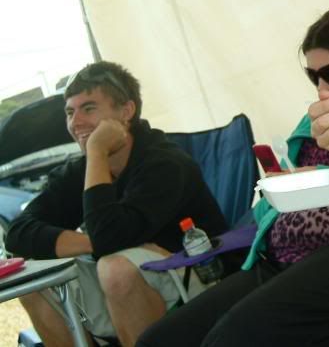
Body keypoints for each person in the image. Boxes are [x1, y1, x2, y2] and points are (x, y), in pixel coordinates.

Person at [137, 6, 329, 347]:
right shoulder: (312, 120)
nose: (323, 86)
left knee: (228, 340)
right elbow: (274, 200)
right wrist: (278, 190)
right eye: (314, 76)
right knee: (159, 340)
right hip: (282, 253)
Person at [5, 61, 228, 347]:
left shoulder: (164, 163)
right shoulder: (79, 171)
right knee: (35, 283)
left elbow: (110, 237)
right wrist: (90, 243)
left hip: (200, 275)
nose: (75, 123)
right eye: (70, 112)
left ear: (126, 111)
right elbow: (18, 235)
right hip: (128, 280)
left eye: (88, 108)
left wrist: (97, 152)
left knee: (116, 268)